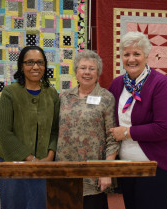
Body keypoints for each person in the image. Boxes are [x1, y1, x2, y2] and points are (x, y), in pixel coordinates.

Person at [109, 31, 167, 209]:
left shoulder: (160, 84)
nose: (131, 59)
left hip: (156, 165)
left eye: (137, 54)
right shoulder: (118, 83)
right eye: (126, 54)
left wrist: (127, 132)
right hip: (127, 165)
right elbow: (109, 117)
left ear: (146, 56)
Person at [0, 46, 60, 209]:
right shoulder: (10, 93)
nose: (35, 67)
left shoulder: (52, 94)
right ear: (21, 66)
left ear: (45, 66)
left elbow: (55, 129)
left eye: (40, 62)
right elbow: (4, 133)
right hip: (12, 166)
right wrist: (31, 159)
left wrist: (50, 157)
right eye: (30, 62)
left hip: (43, 166)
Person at [56, 49, 119, 209]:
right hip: (65, 169)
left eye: (92, 68)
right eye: (83, 68)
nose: (87, 72)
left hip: (92, 171)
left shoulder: (106, 97)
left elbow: (112, 137)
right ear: (76, 71)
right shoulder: (64, 97)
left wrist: (106, 170)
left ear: (98, 72)